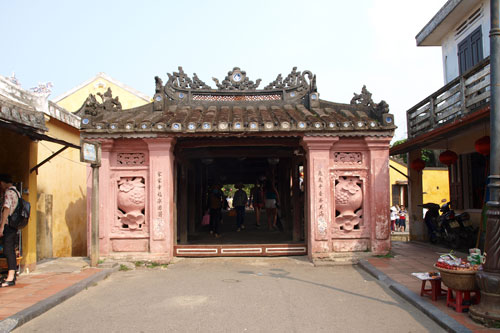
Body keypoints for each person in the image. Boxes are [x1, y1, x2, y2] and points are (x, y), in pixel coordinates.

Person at [0, 174, 19, 287]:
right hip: (14, 225)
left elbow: (6, 209)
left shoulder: (8, 192)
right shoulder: (16, 192)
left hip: (8, 224)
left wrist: (2, 226)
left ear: (3, 182)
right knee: (10, 249)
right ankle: (12, 274)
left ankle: (10, 277)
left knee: (8, 251)